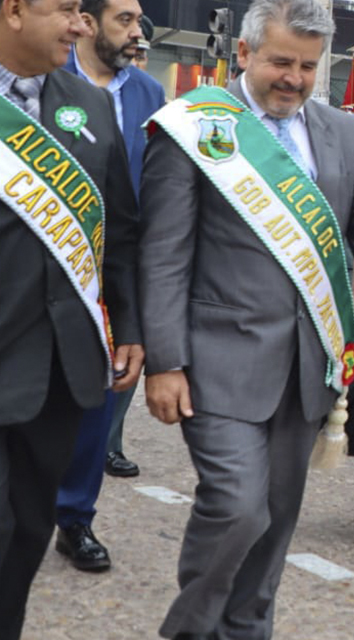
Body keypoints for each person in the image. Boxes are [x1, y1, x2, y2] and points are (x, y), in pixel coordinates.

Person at [140, 1, 354, 637]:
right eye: (280, 61)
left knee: (275, 522)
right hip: (217, 359)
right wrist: (164, 360)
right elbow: (163, 253)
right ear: (244, 53)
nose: (294, 79)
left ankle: (247, 630)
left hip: (312, 362)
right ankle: (188, 630)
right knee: (237, 508)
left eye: (307, 66)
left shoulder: (339, 131)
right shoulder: (195, 127)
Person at [0, 1, 143, 635]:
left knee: (28, 533)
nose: (80, 25)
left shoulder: (88, 104)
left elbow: (121, 231)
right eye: (64, 10)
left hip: (58, 367)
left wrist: (131, 327)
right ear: (12, 11)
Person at [52, 0, 163, 574]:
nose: (136, 32)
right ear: (88, 23)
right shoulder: (44, 75)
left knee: (102, 393)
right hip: (50, 257)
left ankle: (75, 516)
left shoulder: (149, 94)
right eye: (124, 19)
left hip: (118, 263)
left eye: (138, 20)